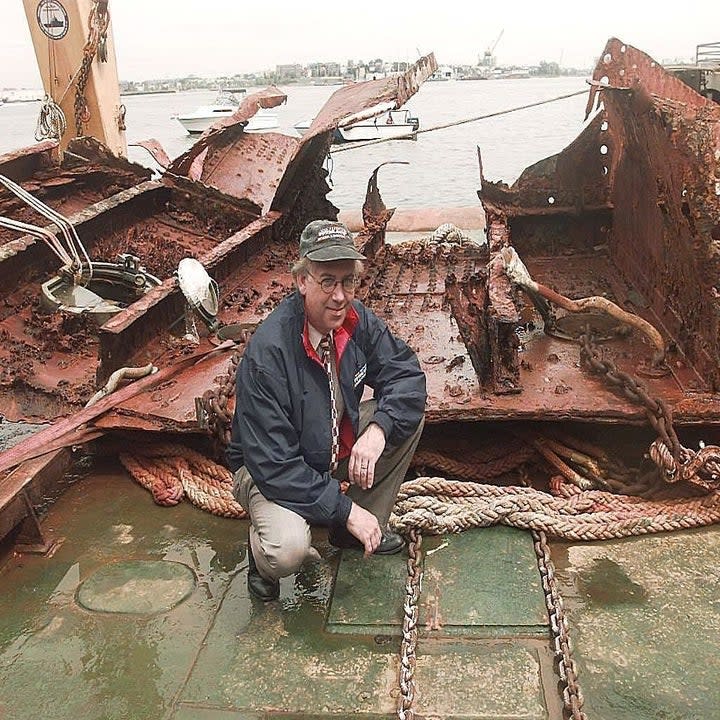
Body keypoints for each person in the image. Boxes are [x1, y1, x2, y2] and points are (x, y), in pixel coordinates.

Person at [228, 219, 426, 601]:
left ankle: (347, 534)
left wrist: (379, 429)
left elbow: (407, 376)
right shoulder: (269, 354)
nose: (339, 296)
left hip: (327, 439)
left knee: (406, 418)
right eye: (327, 281)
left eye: (347, 281)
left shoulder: (356, 321)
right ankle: (261, 554)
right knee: (288, 550)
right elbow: (275, 465)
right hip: (268, 468)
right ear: (302, 281)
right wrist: (345, 508)